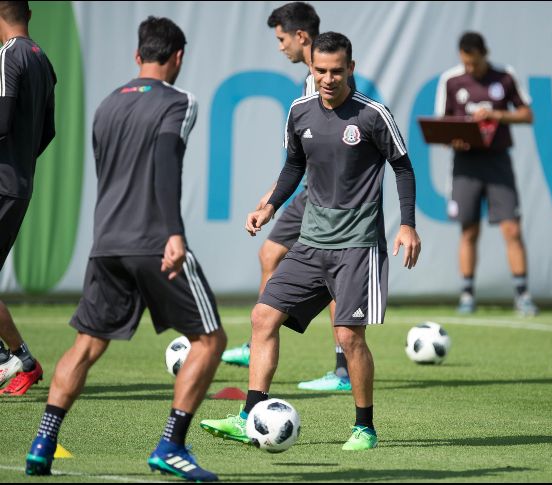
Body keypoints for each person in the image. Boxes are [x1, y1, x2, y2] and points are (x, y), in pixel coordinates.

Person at [25, 16, 226, 482]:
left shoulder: (107, 105)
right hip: (155, 241)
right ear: (178, 58)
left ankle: (44, 441)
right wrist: (174, 232)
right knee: (211, 339)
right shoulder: (180, 102)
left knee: (87, 344)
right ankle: (172, 446)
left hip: (107, 242)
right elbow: (164, 165)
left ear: (138, 56)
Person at [201, 31, 420, 451]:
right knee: (263, 317)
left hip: (357, 246)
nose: (328, 78)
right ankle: (249, 415)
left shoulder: (373, 115)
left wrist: (407, 224)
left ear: (351, 69)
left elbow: (403, 168)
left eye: (337, 71)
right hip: (311, 243)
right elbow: (293, 165)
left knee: (349, 337)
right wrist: (270, 206)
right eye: (320, 70)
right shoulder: (300, 111)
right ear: (312, 68)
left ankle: (364, 428)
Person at [220, 1, 355, 393]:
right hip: (311, 186)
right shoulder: (311, 79)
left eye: (281, 39)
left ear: (300, 37)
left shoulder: (324, 77)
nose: (280, 47)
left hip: (325, 194)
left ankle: (342, 366)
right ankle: (261, 335)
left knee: (332, 275)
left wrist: (285, 192)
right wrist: (275, 194)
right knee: (269, 255)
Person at [435, 31, 537, 316]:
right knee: (468, 230)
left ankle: (522, 294)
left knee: (512, 228)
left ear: (485, 54)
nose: (470, 69)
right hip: (465, 163)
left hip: (497, 162)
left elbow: (527, 114)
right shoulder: (451, 80)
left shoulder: (504, 76)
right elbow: (442, 124)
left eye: (475, 64)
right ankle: (467, 294)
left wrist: (496, 115)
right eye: (466, 63)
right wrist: (452, 137)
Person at [0, 0, 55, 396]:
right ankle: (19, 357)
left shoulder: (9, 54)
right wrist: (20, 163)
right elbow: (47, 131)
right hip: (18, 183)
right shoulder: (42, 58)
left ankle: (12, 357)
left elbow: (1, 122)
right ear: (29, 14)